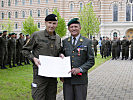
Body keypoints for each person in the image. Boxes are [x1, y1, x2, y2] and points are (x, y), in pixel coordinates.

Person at [22, 14, 61, 100]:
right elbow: (25, 50)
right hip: (39, 74)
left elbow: (58, 52)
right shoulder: (37, 35)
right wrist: (33, 58)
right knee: (38, 97)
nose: (51, 25)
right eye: (49, 23)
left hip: (52, 75)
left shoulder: (58, 38)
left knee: (51, 97)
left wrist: (60, 54)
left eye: (54, 23)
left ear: (57, 24)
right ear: (45, 23)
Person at [60, 18, 95, 100]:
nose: (73, 29)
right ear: (68, 29)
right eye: (71, 27)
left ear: (80, 28)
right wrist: (60, 54)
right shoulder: (65, 42)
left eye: (76, 26)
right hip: (67, 80)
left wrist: (80, 69)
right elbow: (61, 54)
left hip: (81, 80)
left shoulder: (87, 42)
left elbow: (91, 61)